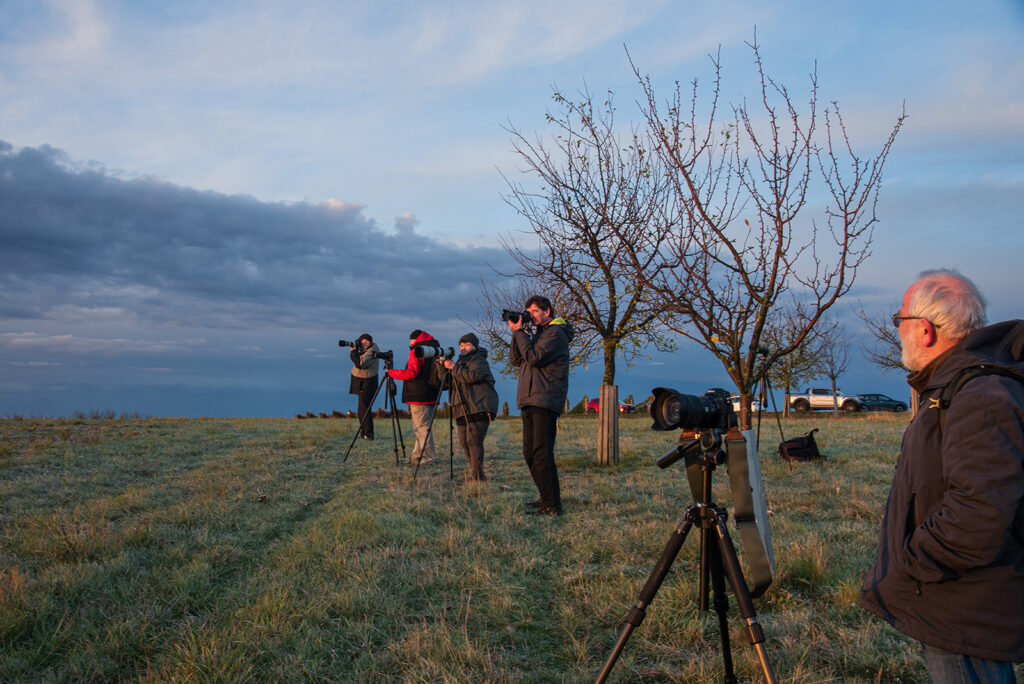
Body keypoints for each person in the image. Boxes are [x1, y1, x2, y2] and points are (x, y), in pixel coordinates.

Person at [859, 269, 1024, 682]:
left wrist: (914, 560)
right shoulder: (956, 387)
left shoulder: (978, 395)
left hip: (965, 607)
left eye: (899, 320)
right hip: (963, 600)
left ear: (925, 329)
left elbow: (980, 514)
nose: (898, 331)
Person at [508, 295, 574, 516]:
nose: (531, 316)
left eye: (534, 311)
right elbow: (516, 359)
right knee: (530, 453)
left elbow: (534, 357)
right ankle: (546, 497)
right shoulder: (538, 335)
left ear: (547, 311)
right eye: (528, 312)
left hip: (545, 398)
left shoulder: (556, 333)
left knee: (542, 453)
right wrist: (516, 333)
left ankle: (552, 505)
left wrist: (520, 333)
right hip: (529, 399)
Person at [441, 332, 499, 481]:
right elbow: (445, 384)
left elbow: (473, 376)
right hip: (462, 407)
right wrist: (441, 367)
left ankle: (477, 477)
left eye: (467, 344)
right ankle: (478, 473)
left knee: (473, 441)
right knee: (464, 442)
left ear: (475, 346)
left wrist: (454, 367)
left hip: (479, 405)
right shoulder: (459, 363)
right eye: (461, 345)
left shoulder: (479, 360)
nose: (464, 347)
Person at [388, 330, 442, 465]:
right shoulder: (435, 349)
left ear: (414, 340)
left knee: (421, 428)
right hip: (432, 393)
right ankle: (418, 456)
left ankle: (427, 458)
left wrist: (391, 372)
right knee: (425, 427)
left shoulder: (417, 350)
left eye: (410, 341)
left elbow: (411, 373)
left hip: (418, 394)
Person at [348, 334, 379, 440]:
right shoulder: (368, 350)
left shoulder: (372, 351)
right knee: (362, 410)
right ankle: (364, 433)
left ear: (367, 342)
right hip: (364, 383)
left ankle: (368, 434)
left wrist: (353, 352)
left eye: (361, 342)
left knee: (364, 410)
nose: (360, 344)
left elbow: (360, 363)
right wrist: (356, 350)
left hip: (366, 383)